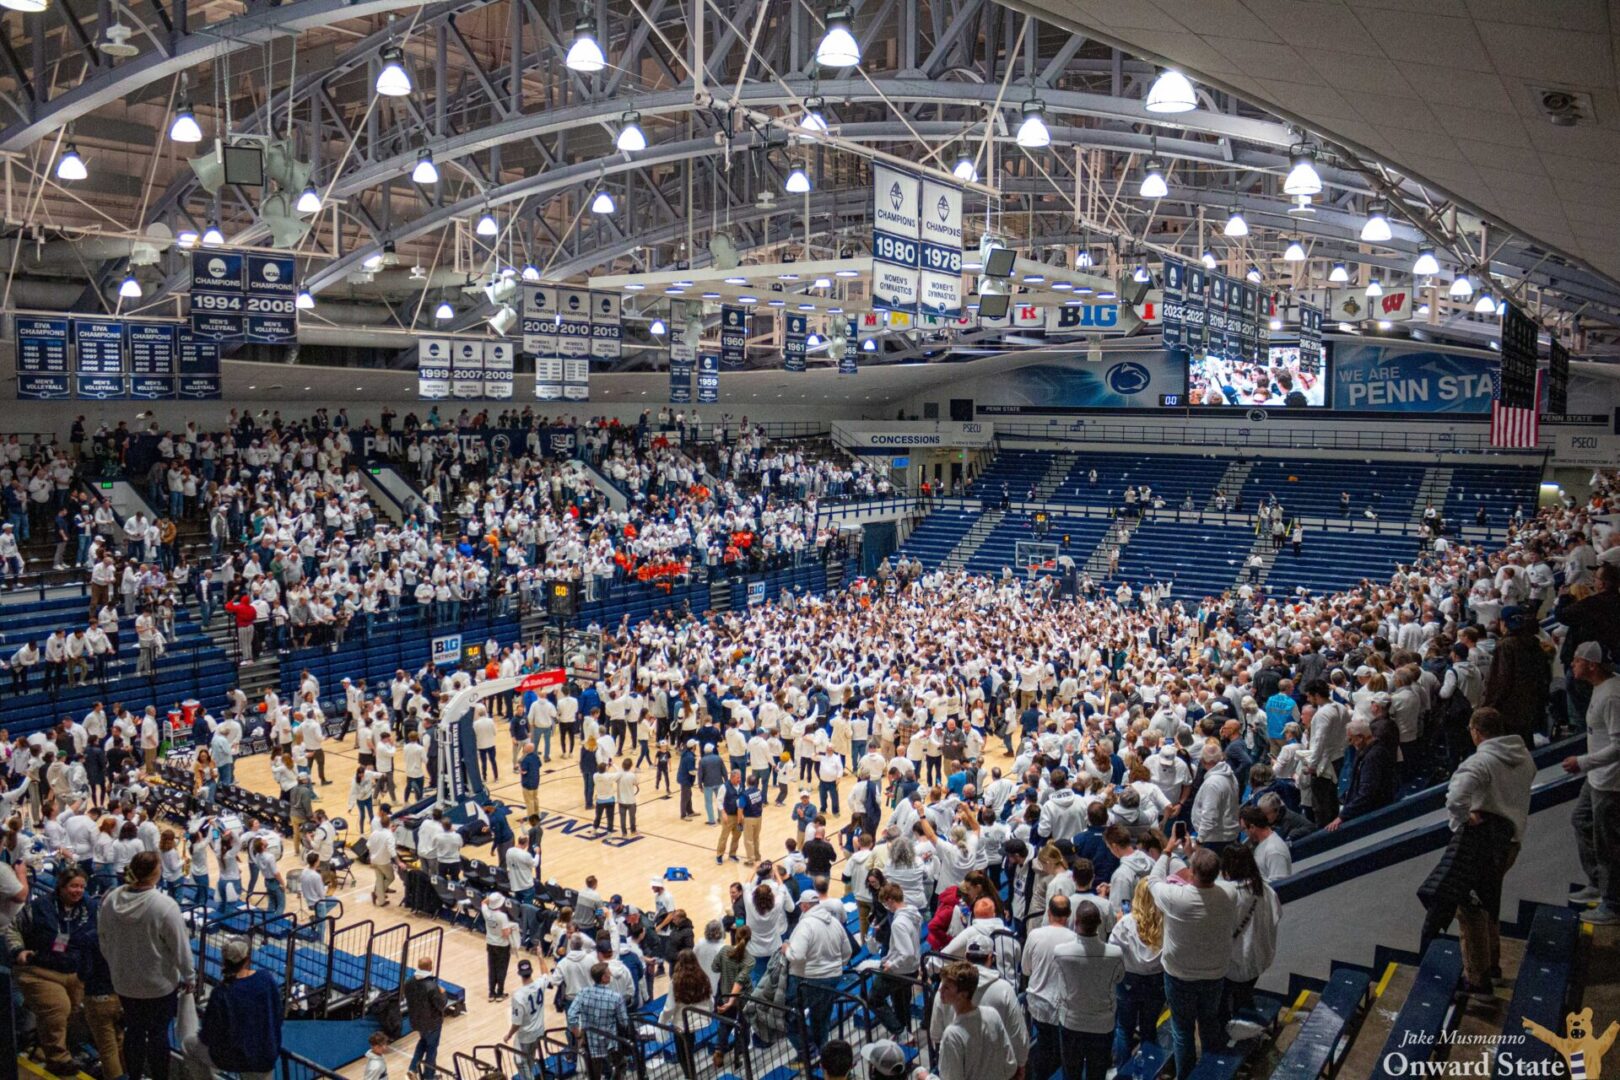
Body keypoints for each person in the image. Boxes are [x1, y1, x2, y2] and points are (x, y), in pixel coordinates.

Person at [1420, 706, 1535, 991]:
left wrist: (1463, 820)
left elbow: (1455, 798)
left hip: (1482, 844)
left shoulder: (1480, 762)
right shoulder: (1524, 757)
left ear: (1476, 731)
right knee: (1489, 901)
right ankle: (1492, 966)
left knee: (1470, 911)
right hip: (1510, 842)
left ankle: (1478, 977)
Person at [99, 850, 196, 1080]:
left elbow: (102, 938)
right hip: (158, 986)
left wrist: (115, 964)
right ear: (155, 873)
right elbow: (181, 948)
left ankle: (134, 1076)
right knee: (158, 1035)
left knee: (133, 1031)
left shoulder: (111, 899)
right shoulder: (164, 906)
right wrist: (190, 977)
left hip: (124, 983)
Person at [1148, 839, 1239, 1078]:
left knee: (1183, 1030)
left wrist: (1167, 850)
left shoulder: (1176, 898)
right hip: (1214, 973)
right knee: (1209, 1023)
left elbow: (1153, 880)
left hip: (1180, 975)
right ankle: (1210, 1074)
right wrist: (1194, 854)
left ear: (1192, 872)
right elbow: (1217, 881)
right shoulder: (1229, 894)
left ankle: (1186, 1075)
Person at [5, 867, 96, 1075]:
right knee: (57, 1008)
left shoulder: (90, 908)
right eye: (74, 886)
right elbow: (13, 929)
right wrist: (19, 951)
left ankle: (51, 1046)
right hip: (38, 970)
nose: (78, 891)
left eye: (82, 886)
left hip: (74, 972)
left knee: (70, 1013)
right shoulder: (39, 907)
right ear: (61, 887)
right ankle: (58, 1060)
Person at [1567, 640, 1620, 925]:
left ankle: (1612, 903)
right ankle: (1599, 883)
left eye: (1576, 660)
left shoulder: (1612, 696)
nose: (1572, 663)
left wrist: (1584, 762)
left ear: (1591, 664)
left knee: (1607, 842)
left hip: (1611, 781)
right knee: (1581, 821)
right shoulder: (1603, 689)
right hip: (1597, 776)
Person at [1053, 900, 1126, 1080]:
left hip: (1072, 1022)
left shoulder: (1061, 952)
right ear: (1099, 923)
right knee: (1097, 1074)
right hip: (1102, 1024)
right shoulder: (1115, 953)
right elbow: (1120, 978)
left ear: (1076, 922)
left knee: (1071, 1074)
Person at [194, 937, 283, 1080]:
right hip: (265, 1054)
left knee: (188, 1045)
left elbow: (208, 1034)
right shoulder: (266, 978)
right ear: (247, 958)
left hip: (233, 1057)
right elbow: (278, 1015)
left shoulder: (221, 992)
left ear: (224, 960)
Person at [784, 879, 852, 1066]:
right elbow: (847, 952)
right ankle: (823, 1053)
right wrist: (835, 967)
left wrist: (786, 950)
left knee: (788, 1015)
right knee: (820, 1016)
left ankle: (807, 1050)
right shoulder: (835, 923)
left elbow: (796, 955)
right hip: (833, 977)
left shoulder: (806, 925)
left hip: (811, 979)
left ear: (805, 906)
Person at [1218, 846, 1280, 1042]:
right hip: (1258, 958)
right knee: (1243, 998)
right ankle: (1246, 1036)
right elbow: (1277, 917)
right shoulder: (1265, 890)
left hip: (1233, 962)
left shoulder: (1228, 894)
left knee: (1224, 1007)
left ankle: (1236, 1042)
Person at [1109, 879, 1166, 1068]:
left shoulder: (1125, 924)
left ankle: (1123, 1071)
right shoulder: (1167, 923)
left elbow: (1113, 952)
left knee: (1124, 1029)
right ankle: (1151, 1070)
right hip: (1157, 981)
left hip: (1128, 980)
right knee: (1150, 1030)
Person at [934, 961, 1018, 1080]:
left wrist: (927, 1078)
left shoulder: (952, 1035)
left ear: (963, 995)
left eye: (946, 987)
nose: (940, 990)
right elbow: (1010, 1065)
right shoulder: (992, 1015)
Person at [1327, 718, 1397, 830]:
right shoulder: (1370, 752)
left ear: (1360, 737)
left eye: (1351, 739)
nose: (1350, 743)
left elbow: (1367, 792)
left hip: (1372, 814)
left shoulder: (1373, 757)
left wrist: (1343, 816)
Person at [567, 962, 632, 1080]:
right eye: (608, 973)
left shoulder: (583, 993)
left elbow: (571, 1015)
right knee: (619, 1069)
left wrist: (578, 1035)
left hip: (590, 1043)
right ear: (603, 977)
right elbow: (624, 1022)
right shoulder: (616, 997)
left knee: (594, 1074)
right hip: (611, 1043)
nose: (611, 974)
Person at [660, 949, 713, 1079]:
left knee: (683, 1053)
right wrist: (709, 1011)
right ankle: (691, 1074)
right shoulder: (703, 976)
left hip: (682, 1024)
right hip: (699, 1018)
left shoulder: (676, 981)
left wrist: (661, 1022)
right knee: (688, 1047)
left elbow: (669, 1007)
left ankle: (690, 1076)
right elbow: (710, 998)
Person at [404, 956, 449, 1080]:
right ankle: (429, 1077)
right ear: (430, 967)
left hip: (416, 1021)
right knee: (431, 1049)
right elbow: (441, 1004)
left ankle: (412, 1068)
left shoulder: (408, 982)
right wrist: (443, 993)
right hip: (432, 1023)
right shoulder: (432, 986)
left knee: (423, 1042)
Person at [505, 959, 547, 1080]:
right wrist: (540, 957)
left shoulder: (518, 996)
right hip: (539, 1031)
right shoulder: (540, 984)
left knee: (519, 1061)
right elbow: (545, 974)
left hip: (525, 1035)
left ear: (519, 973)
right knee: (530, 1059)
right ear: (531, 971)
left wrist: (509, 1035)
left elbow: (517, 1022)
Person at [483, 892, 520, 1000]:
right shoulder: (502, 916)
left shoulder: (486, 912)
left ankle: (491, 993)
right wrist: (511, 928)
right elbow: (505, 934)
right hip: (502, 946)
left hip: (490, 944)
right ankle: (499, 993)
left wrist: (489, 899)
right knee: (501, 969)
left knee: (492, 968)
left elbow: (483, 903)